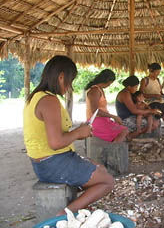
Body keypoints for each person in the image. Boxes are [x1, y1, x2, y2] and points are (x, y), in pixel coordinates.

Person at [23, 55, 114, 216]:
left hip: (47, 162)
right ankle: (66, 213)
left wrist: (77, 133)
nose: (69, 87)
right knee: (108, 181)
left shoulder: (37, 97)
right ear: (61, 76)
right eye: (70, 81)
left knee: (101, 168)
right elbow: (56, 142)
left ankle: (75, 203)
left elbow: (56, 134)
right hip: (53, 164)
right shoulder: (49, 100)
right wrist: (79, 133)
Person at [85, 69, 129, 142]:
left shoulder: (99, 89)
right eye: (110, 83)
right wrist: (113, 116)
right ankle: (113, 151)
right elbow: (95, 111)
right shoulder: (95, 90)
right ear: (107, 80)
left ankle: (112, 149)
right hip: (95, 121)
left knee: (124, 130)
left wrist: (112, 117)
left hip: (102, 119)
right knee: (123, 131)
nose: (109, 85)